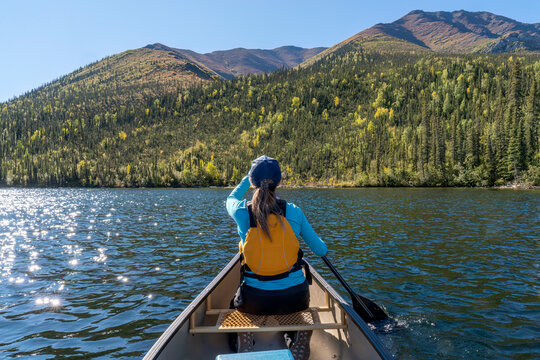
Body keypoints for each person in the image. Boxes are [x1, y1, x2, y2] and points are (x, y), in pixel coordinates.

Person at [226, 155, 327, 358]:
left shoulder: (241, 212)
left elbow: (230, 198)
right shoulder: (294, 211)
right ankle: (297, 335)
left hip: (254, 300)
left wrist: (247, 179)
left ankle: (243, 336)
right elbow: (320, 250)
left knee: (234, 305)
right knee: (292, 311)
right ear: (278, 182)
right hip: (294, 298)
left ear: (253, 182)